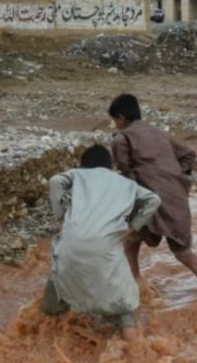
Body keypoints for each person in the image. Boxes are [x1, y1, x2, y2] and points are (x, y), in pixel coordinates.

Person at [42, 145, 161, 342]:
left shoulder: (78, 176)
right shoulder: (126, 184)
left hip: (71, 244)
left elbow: (55, 181)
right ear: (110, 165)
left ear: (83, 165)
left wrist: (60, 214)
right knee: (123, 305)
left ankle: (49, 340)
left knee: (58, 282)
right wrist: (133, 227)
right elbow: (153, 199)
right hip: (107, 245)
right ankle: (135, 354)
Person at [108, 93, 197, 297]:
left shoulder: (121, 139)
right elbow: (189, 155)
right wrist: (175, 176)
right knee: (184, 253)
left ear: (121, 118)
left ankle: (136, 287)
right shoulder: (160, 134)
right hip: (177, 200)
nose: (115, 125)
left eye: (115, 120)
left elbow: (126, 177)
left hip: (150, 202)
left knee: (131, 241)